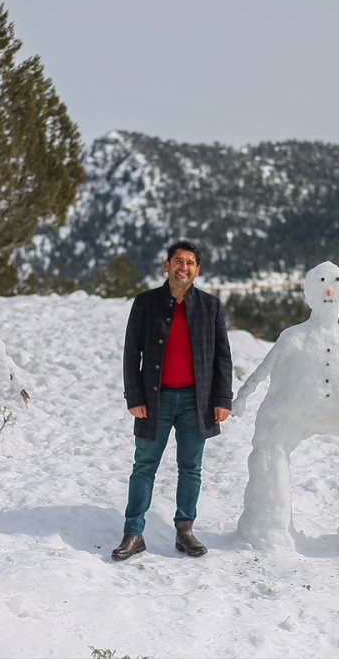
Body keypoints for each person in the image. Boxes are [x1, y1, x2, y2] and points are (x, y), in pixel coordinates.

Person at [112, 240, 233, 560]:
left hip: (197, 400)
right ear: (167, 266)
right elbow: (131, 353)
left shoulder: (210, 306)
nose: (184, 267)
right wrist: (134, 395)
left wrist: (223, 398)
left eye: (190, 263)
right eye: (178, 261)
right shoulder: (146, 303)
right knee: (144, 467)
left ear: (197, 270)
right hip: (155, 400)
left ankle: (185, 530)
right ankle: (133, 532)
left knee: (191, 468)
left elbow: (222, 356)